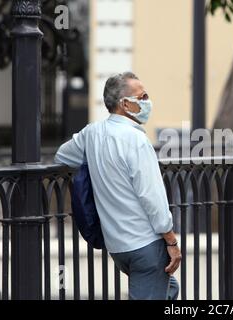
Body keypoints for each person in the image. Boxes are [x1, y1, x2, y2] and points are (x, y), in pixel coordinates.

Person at [55, 72, 181, 300]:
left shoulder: (92, 133)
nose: (147, 102)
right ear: (125, 104)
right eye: (142, 97)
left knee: (169, 288)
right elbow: (152, 197)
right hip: (146, 244)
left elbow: (63, 155)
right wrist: (171, 240)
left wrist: (95, 162)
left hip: (118, 247)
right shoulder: (138, 141)